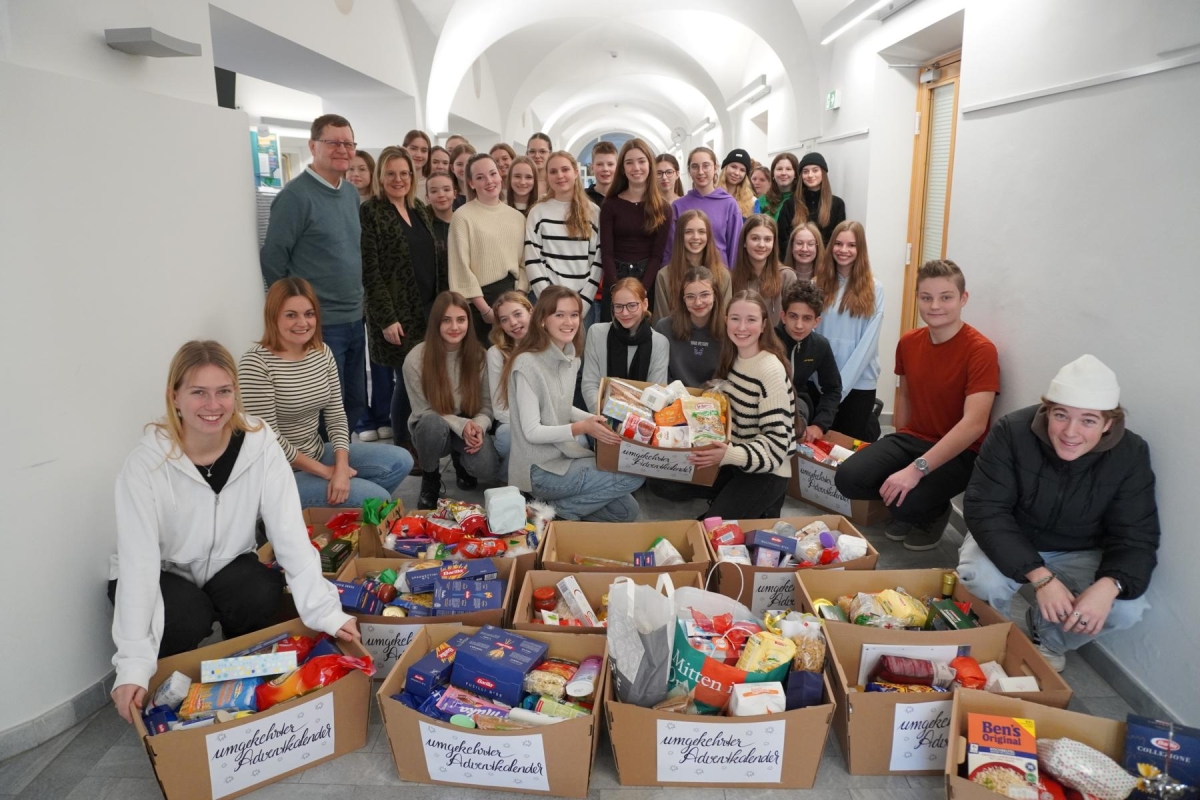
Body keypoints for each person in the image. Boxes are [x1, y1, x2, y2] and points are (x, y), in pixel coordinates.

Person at [108, 341, 360, 725]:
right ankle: (167, 676)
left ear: (235, 393)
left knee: (261, 590)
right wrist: (131, 666)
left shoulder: (259, 444)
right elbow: (138, 566)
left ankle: (235, 670)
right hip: (164, 571)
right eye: (199, 392)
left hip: (227, 563)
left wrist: (326, 612)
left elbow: (290, 534)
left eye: (223, 391)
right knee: (185, 615)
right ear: (174, 396)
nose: (213, 405)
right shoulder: (145, 464)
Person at [959, 355, 1157, 671]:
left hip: (1079, 549)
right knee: (982, 580)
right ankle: (992, 641)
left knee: (1126, 608)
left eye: (1088, 420)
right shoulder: (1012, 432)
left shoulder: (1131, 454)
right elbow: (986, 509)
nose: (1071, 432)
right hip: (1010, 534)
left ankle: (1049, 638)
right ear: (1047, 411)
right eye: (1061, 415)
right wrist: (1041, 578)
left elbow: (1137, 535)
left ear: (1109, 423)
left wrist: (1109, 585)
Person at [835, 259, 999, 551]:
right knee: (847, 478)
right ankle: (907, 505)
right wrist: (898, 443)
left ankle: (932, 511)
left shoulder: (981, 350)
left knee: (908, 499)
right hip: (913, 438)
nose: (935, 306)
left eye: (945, 297)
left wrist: (916, 469)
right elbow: (906, 395)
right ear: (918, 299)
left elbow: (974, 424)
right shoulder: (909, 341)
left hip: (961, 452)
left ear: (963, 299)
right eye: (926, 297)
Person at [240, 278, 413, 507]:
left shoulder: (321, 353)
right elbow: (269, 439)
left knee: (401, 460)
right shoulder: (256, 363)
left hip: (317, 451)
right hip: (277, 472)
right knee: (378, 499)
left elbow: (336, 415)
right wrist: (326, 472)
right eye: (291, 315)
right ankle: (286, 520)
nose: (302, 322)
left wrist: (340, 467)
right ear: (273, 317)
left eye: (309, 314)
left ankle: (331, 518)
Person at [500, 286, 644, 521]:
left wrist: (593, 419)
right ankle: (554, 516)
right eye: (559, 315)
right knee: (635, 473)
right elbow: (531, 431)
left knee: (626, 511)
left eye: (574, 314)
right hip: (539, 469)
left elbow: (562, 407)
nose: (569, 322)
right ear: (543, 320)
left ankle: (549, 507)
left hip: (564, 458)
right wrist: (582, 428)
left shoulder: (570, 357)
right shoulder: (526, 364)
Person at [260, 114, 366, 429]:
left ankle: (346, 466)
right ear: (312, 145)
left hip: (353, 317)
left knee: (353, 403)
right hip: (320, 326)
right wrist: (294, 314)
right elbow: (273, 258)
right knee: (325, 413)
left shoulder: (349, 193)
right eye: (333, 142)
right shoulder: (295, 197)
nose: (342, 149)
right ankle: (326, 474)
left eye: (348, 143)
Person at [360, 147, 444, 461]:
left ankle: (417, 441)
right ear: (381, 176)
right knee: (406, 381)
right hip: (396, 314)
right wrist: (385, 318)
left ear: (413, 176)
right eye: (391, 173)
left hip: (425, 310)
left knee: (420, 380)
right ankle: (403, 447)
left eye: (404, 173)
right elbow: (370, 270)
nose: (399, 179)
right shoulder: (371, 211)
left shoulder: (420, 209)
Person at [691, 290, 797, 519]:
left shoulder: (770, 370)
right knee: (666, 484)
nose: (741, 327)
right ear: (726, 320)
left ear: (763, 325)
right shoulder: (732, 357)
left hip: (768, 469)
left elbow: (776, 448)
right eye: (735, 319)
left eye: (751, 320)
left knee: (708, 529)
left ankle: (764, 508)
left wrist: (728, 455)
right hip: (735, 459)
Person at [403, 291, 500, 509]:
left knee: (487, 469)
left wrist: (479, 427)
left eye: (461, 320)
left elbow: (487, 405)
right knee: (431, 425)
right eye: (446, 320)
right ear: (435, 322)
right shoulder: (415, 359)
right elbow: (422, 411)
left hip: (467, 420)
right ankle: (430, 478)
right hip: (433, 426)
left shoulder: (479, 356)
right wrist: (462, 425)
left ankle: (461, 462)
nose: (454, 327)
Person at [814, 220, 885, 441]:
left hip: (859, 384)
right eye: (838, 244)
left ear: (860, 249)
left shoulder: (875, 289)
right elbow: (813, 335)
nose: (844, 250)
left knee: (848, 450)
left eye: (851, 245)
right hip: (821, 383)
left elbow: (868, 345)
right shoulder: (817, 284)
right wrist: (825, 383)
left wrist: (840, 388)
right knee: (818, 450)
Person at [449, 153, 527, 342]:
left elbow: (524, 264)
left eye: (493, 174)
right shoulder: (462, 217)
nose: (489, 181)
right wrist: (485, 310)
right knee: (484, 364)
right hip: (480, 302)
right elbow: (460, 268)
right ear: (471, 183)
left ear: (500, 175)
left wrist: (518, 301)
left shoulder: (517, 217)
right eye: (480, 177)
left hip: (513, 298)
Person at [600, 137, 671, 322]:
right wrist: (616, 288)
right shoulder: (610, 204)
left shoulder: (663, 208)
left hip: (647, 278)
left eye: (641, 161)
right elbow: (606, 252)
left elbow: (657, 255)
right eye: (629, 162)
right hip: (615, 277)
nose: (636, 168)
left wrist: (643, 290)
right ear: (623, 168)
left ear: (650, 164)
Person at [524, 151, 602, 312]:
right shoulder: (538, 212)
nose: (559, 175)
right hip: (548, 300)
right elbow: (533, 260)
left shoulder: (593, 212)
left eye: (565, 169)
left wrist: (583, 303)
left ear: (575, 172)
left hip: (583, 300)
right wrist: (548, 301)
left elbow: (597, 261)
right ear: (547, 176)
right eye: (553, 171)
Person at [581, 278, 669, 413]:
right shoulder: (596, 333)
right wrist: (604, 417)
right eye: (619, 306)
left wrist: (634, 423)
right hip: (601, 418)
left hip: (642, 423)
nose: (625, 313)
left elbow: (656, 393)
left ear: (644, 304)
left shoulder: (660, 342)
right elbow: (590, 385)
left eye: (632, 305)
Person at [777, 281, 842, 443]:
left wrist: (820, 425)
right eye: (793, 316)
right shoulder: (767, 341)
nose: (799, 325)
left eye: (807, 318)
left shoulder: (820, 345)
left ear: (816, 321)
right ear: (783, 316)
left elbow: (833, 389)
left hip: (798, 404)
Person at [661, 147, 743, 268]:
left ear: (715, 168)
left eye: (706, 166)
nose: (700, 172)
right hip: (686, 275)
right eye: (695, 166)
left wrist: (733, 278)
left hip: (719, 274)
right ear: (689, 170)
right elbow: (671, 248)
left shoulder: (729, 204)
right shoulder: (678, 206)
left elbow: (736, 247)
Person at [652, 208, 730, 322]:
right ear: (679, 236)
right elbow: (661, 322)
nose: (696, 237)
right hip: (676, 337)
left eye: (701, 232)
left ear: (708, 236)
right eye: (688, 232)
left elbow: (724, 319)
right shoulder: (664, 275)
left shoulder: (722, 275)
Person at [486, 291, 532, 480]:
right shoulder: (496, 353)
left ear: (531, 312)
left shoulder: (549, 344)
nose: (512, 323)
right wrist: (532, 427)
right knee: (507, 438)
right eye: (504, 320)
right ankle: (515, 483)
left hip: (548, 422)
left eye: (518, 314)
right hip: (513, 422)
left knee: (579, 440)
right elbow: (499, 409)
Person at [655, 265, 725, 387]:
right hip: (674, 398)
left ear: (715, 295)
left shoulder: (729, 329)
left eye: (704, 295)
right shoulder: (664, 327)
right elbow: (659, 374)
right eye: (690, 296)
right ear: (683, 299)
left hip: (714, 399)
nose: (698, 302)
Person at [731, 214, 797, 321]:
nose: (761, 244)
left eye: (767, 239)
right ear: (744, 242)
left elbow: (792, 319)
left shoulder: (787, 276)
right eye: (755, 238)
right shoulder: (732, 278)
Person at [777, 152, 847, 250]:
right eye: (805, 171)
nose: (810, 175)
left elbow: (838, 240)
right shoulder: (790, 205)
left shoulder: (837, 204)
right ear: (801, 176)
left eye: (815, 170)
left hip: (825, 263)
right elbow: (782, 240)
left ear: (823, 173)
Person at [757, 153, 800, 222]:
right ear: (773, 173)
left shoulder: (801, 200)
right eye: (779, 169)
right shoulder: (762, 200)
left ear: (795, 174)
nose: (783, 173)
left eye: (788, 169)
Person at [718, 148, 757, 218]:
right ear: (725, 168)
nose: (737, 173)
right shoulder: (712, 195)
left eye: (742, 170)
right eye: (733, 167)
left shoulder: (753, 202)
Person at [585, 141, 618, 206]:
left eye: (610, 164)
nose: (605, 169)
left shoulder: (626, 197)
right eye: (599, 164)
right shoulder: (582, 198)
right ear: (592, 167)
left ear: (617, 168)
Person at [404, 129, 432, 200]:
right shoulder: (397, 184)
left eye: (424, 150)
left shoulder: (432, 184)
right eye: (413, 148)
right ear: (404, 149)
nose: (419, 155)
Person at [449, 142, 477, 210]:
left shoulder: (483, 193)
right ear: (452, 168)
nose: (464, 168)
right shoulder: (448, 196)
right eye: (459, 164)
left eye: (468, 164)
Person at [526, 132, 553, 197]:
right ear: (527, 154)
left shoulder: (556, 181)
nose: (537, 156)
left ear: (550, 154)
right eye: (532, 151)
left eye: (542, 151)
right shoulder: (521, 182)